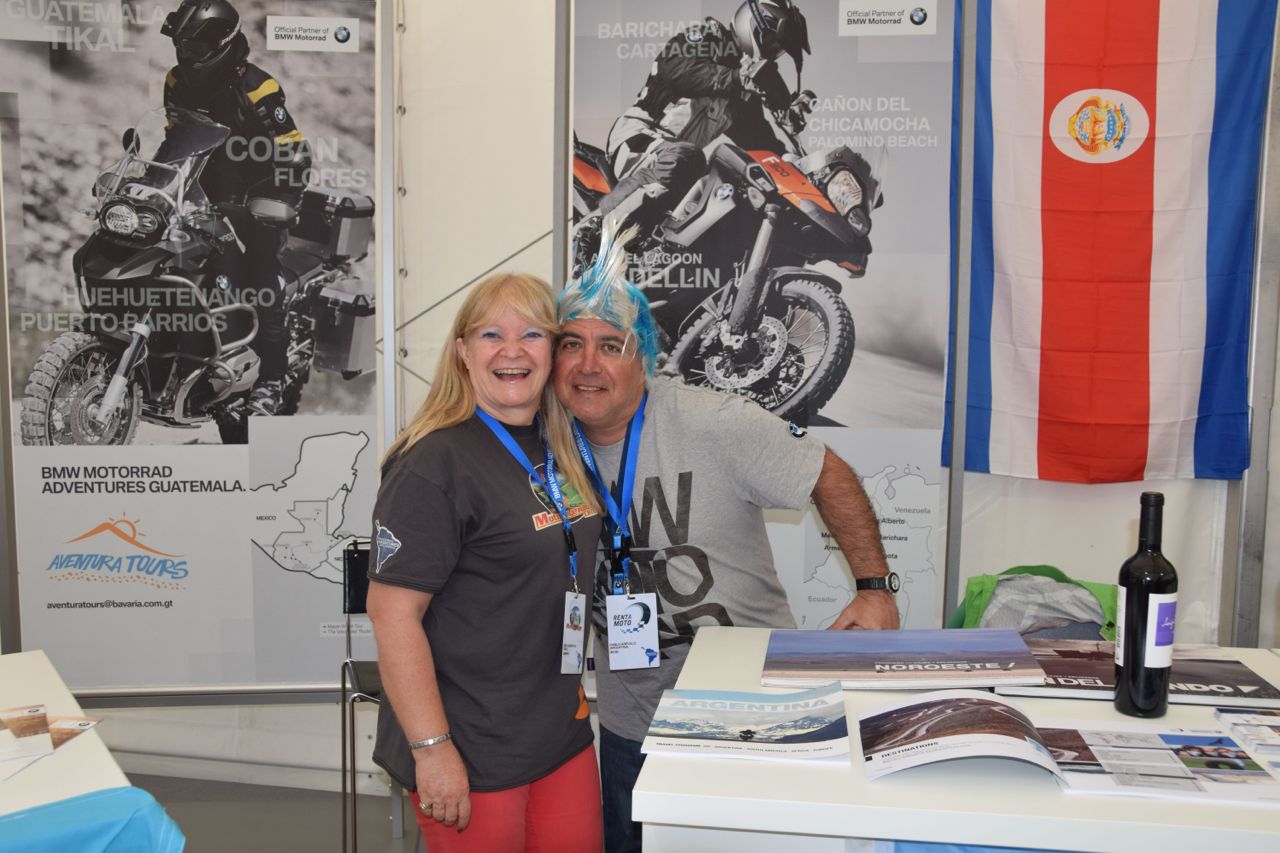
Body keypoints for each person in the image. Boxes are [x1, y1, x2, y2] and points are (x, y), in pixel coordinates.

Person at [554, 227, 899, 852]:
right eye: (571, 344)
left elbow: (828, 473)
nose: (588, 365)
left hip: (752, 712)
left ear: (644, 356)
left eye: (610, 345)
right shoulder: (548, 446)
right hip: (634, 723)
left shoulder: (712, 422)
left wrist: (874, 588)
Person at [366, 273, 604, 851]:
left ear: (553, 351)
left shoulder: (561, 447)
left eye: (532, 335)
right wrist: (432, 750)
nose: (512, 351)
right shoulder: (433, 462)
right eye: (492, 334)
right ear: (463, 352)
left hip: (558, 731)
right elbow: (392, 615)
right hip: (470, 745)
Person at [161, 0, 312, 415]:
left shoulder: (258, 87)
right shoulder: (175, 80)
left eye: (194, 46)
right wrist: (152, 184)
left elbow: (294, 151)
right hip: (204, 198)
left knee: (261, 282)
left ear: (221, 42)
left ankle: (271, 380)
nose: (185, 54)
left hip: (258, 200)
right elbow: (175, 141)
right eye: (181, 45)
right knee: (175, 268)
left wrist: (281, 200)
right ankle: (179, 366)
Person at [580, 0, 810, 249]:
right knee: (688, 157)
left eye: (778, 50)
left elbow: (762, 144)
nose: (773, 52)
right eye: (773, 43)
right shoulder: (708, 39)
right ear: (752, 27)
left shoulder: (742, 97)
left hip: (677, 164)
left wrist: (796, 168)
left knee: (722, 195)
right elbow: (677, 69)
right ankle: (594, 227)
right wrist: (736, 77)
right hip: (637, 139)